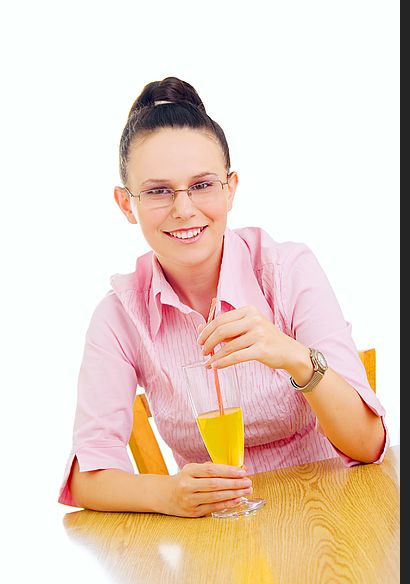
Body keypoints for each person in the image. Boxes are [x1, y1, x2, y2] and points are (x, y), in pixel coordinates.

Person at [58, 76, 388, 518]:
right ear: (125, 203)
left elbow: (369, 445)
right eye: (158, 191)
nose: (184, 209)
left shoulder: (286, 271)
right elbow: (87, 476)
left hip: (332, 520)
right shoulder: (119, 315)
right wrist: (168, 495)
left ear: (230, 189)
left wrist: (292, 356)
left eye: (202, 185)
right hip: (218, 542)